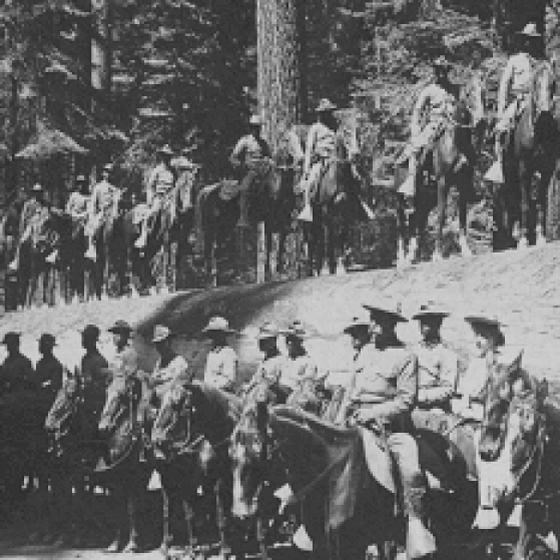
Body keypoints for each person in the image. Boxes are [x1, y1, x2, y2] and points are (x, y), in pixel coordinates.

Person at [337, 301, 436, 560]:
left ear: (392, 324)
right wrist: (340, 416)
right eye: (372, 319)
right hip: (355, 421)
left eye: (378, 321)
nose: (371, 326)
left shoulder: (405, 357)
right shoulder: (366, 352)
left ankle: (415, 525)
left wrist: (373, 413)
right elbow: (351, 389)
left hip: (391, 429)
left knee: (411, 467)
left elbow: (406, 401)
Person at [454, 314, 521, 531]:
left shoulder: (502, 365)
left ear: (494, 338)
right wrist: (460, 408)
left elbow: (504, 399)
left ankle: (489, 505)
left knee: (484, 449)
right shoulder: (475, 364)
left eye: (483, 336)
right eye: (477, 335)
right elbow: (464, 393)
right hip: (468, 416)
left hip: (493, 420)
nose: (479, 341)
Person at [399, 56, 458, 198]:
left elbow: (461, 108)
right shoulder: (429, 90)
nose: (441, 74)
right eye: (439, 71)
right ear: (435, 72)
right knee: (415, 149)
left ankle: (468, 184)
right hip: (434, 125)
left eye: (444, 71)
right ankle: (411, 183)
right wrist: (415, 128)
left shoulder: (455, 89)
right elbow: (418, 110)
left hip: (453, 126)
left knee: (467, 148)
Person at [411, 303, 458, 430]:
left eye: (429, 322)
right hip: (411, 406)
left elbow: (448, 388)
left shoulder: (447, 353)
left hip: (435, 410)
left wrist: (421, 396)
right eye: (422, 322)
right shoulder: (413, 350)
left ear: (438, 324)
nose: (424, 326)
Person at [299, 99, 338, 222]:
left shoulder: (335, 127)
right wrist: (306, 169)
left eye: (329, 112)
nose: (328, 115)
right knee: (312, 180)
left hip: (335, 159)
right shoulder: (315, 128)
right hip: (320, 160)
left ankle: (360, 204)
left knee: (352, 176)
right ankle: (307, 207)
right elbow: (309, 148)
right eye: (325, 113)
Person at [230, 114, 273, 227]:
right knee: (245, 188)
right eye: (254, 127)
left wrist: (268, 161)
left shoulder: (263, 143)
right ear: (250, 128)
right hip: (250, 171)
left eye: (258, 127)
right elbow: (234, 156)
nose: (256, 130)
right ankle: (243, 217)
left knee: (273, 189)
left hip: (263, 172)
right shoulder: (245, 141)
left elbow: (269, 156)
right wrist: (242, 165)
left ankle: (271, 215)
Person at [135, 145, 176, 249]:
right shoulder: (157, 170)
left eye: (169, 156)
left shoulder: (172, 171)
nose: (167, 158)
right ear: (162, 157)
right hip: (159, 197)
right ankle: (143, 236)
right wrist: (150, 199)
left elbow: (175, 186)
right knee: (151, 214)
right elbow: (150, 186)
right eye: (165, 156)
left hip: (170, 198)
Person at [279, 321, 320, 412]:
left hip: (295, 397)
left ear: (299, 342)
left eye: (293, 340)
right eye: (287, 340)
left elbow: (307, 387)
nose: (289, 343)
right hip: (279, 395)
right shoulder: (283, 361)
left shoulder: (308, 362)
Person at [9, 183, 51, 270]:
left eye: (39, 192)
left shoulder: (46, 205)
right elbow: (23, 218)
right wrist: (22, 230)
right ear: (33, 193)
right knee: (23, 241)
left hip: (43, 227)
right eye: (36, 192)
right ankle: (16, 261)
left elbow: (48, 216)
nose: (38, 194)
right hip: (31, 226)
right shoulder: (28, 204)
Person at [243, 322, 286, 402]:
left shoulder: (281, 361)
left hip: (270, 399)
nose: (260, 343)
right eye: (260, 341)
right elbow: (256, 378)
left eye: (264, 341)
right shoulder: (265, 360)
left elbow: (280, 387)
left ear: (273, 341)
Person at [86, 164, 120, 260]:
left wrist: (115, 212)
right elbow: (93, 203)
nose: (108, 174)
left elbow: (116, 203)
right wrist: (92, 215)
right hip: (102, 213)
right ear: (103, 173)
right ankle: (91, 248)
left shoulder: (115, 189)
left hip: (112, 213)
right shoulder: (98, 187)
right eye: (106, 172)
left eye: (110, 172)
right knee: (94, 228)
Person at [150, 325, 190, 405]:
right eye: (157, 344)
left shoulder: (179, 362)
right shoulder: (159, 362)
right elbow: (153, 380)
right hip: (157, 401)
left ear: (169, 342)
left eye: (162, 344)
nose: (159, 347)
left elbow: (179, 385)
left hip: (172, 403)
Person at [202, 316, 238, 392]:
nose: (214, 337)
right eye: (212, 334)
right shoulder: (211, 353)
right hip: (209, 392)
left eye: (216, 334)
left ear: (223, 335)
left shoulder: (228, 353)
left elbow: (229, 381)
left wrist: (210, 387)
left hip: (222, 395)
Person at [80, 324, 110, 413]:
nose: (83, 341)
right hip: (85, 400)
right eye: (83, 337)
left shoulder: (99, 360)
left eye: (86, 338)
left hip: (95, 403)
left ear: (93, 341)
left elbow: (103, 385)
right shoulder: (85, 359)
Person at [106, 320, 138, 389]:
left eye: (118, 333)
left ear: (125, 335)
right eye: (114, 333)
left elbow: (129, 377)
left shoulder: (130, 353)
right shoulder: (115, 353)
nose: (114, 336)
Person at [35, 333, 64, 402]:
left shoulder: (56, 365)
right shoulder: (39, 363)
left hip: (49, 400)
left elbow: (55, 386)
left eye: (42, 344)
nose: (40, 347)